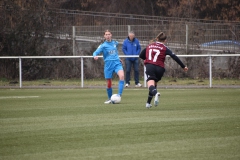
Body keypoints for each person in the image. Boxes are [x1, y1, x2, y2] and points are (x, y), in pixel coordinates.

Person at [139, 32, 188, 109]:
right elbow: (174, 56)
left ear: (157, 39)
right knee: (154, 84)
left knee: (150, 85)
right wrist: (183, 66)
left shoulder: (149, 46)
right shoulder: (165, 48)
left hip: (150, 66)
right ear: (165, 40)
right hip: (160, 68)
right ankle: (148, 103)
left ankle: (156, 94)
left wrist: (148, 59)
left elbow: (141, 55)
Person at [93, 29, 125, 104]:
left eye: (109, 34)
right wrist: (95, 56)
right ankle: (110, 98)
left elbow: (115, 52)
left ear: (111, 35)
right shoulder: (103, 45)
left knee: (122, 76)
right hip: (108, 65)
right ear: (104, 36)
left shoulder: (115, 43)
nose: (107, 36)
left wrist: (118, 58)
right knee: (109, 83)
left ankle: (119, 95)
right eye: (106, 34)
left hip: (117, 63)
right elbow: (95, 52)